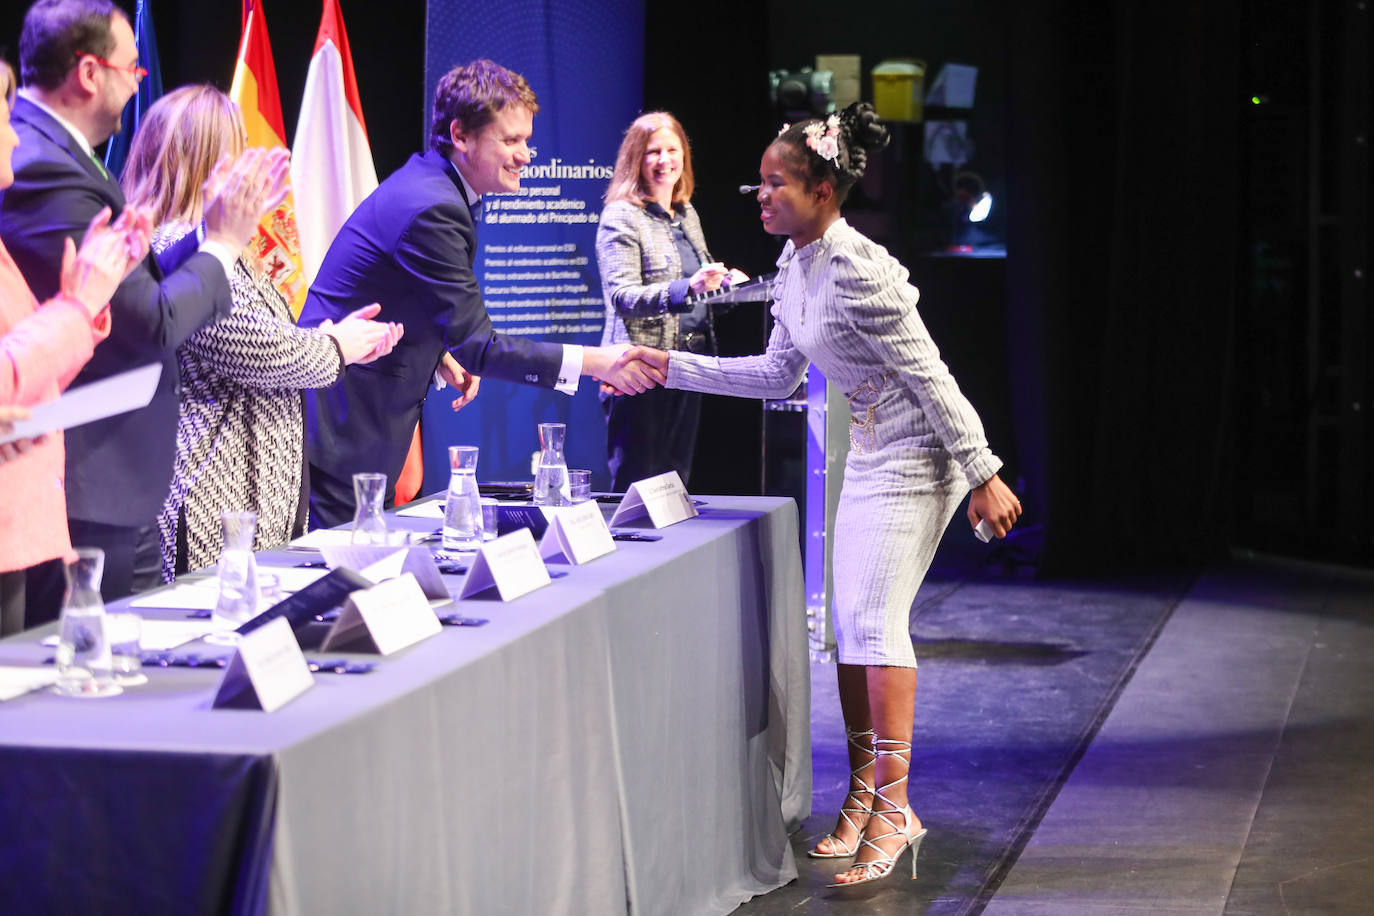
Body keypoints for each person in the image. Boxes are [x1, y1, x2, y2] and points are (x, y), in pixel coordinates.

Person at [625, 103, 1022, 887]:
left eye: (778, 185)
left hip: (922, 454)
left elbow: (931, 375)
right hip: (873, 454)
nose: (762, 196)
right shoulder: (796, 267)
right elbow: (776, 375)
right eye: (760, 184)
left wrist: (983, 472)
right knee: (849, 628)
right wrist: (672, 368)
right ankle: (867, 793)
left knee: (875, 622)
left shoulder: (859, 266)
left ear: (823, 194)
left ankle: (897, 809)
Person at [0, 0, 289, 617]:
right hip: (77, 475)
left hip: (106, 476)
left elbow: (130, 283)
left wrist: (207, 232)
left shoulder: (63, 159)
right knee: (73, 678)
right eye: (132, 69)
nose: (139, 83)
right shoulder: (45, 167)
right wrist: (223, 242)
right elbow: (150, 322)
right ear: (88, 72)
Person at [298, 59, 664, 528]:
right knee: (349, 576)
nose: (525, 154)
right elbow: (480, 345)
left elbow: (407, 296)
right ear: (462, 135)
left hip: (358, 418)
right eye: (511, 140)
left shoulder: (437, 187)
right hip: (344, 425)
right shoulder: (433, 206)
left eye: (527, 140)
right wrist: (598, 361)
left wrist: (438, 356)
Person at [118, 85, 403, 580]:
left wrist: (332, 337)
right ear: (207, 163)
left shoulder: (219, 249)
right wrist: (334, 346)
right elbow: (256, 348)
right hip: (212, 496)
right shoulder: (175, 247)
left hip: (252, 494)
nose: (252, 165)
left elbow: (266, 335)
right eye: (239, 149)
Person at [0, 58, 150, 634]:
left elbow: (29, 364)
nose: (15, 134)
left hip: (27, 528)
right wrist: (77, 305)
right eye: (3, 117)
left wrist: (86, 300)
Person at [595, 112, 747, 490]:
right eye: (653, 152)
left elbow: (702, 284)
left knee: (676, 486)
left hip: (686, 366)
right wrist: (687, 288)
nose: (665, 161)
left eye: (672, 150)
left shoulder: (686, 214)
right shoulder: (621, 216)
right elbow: (622, 296)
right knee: (637, 487)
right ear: (636, 159)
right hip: (638, 369)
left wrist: (728, 285)